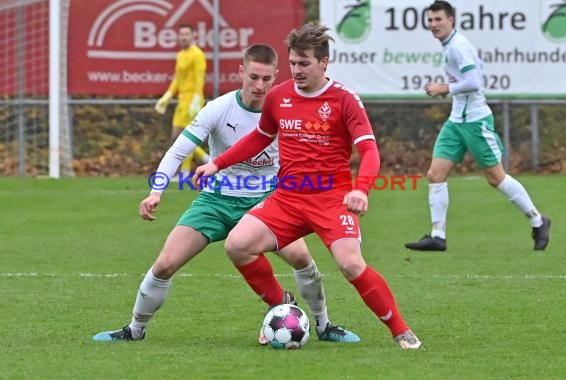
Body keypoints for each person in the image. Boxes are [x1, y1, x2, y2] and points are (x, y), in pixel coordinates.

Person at [93, 43, 359, 344]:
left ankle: (324, 326)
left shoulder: (288, 108)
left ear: (276, 76)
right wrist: (156, 192)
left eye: (266, 79)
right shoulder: (219, 109)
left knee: (299, 256)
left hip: (270, 199)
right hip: (217, 199)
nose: (259, 86)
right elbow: (178, 150)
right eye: (253, 77)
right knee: (166, 263)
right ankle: (134, 329)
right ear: (241, 72)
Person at [194, 24, 422, 349]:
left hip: (332, 199)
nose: (297, 71)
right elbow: (260, 137)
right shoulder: (279, 96)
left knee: (350, 263)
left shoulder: (344, 100)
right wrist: (218, 163)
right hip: (287, 198)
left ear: (324, 63)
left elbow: (369, 150)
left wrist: (362, 189)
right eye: (293, 63)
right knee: (237, 245)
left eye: (305, 63)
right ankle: (280, 302)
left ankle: (401, 331)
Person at [405, 0, 551, 252]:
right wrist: (449, 90)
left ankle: (538, 221)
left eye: (438, 19)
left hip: (475, 121)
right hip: (456, 121)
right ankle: (438, 236)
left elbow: (475, 81)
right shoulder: (451, 45)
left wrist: (444, 88)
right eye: (430, 20)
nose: (433, 24)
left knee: (496, 178)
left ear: (451, 20)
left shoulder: (458, 47)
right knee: (435, 175)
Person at [155, 23, 209, 177]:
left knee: (186, 136)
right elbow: (177, 79)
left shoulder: (197, 54)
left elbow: (200, 79)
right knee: (176, 136)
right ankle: (206, 160)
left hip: (193, 100)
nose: (184, 37)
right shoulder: (180, 55)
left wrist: (197, 99)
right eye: (181, 34)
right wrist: (167, 96)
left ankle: (186, 172)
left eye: (187, 34)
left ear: (193, 36)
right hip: (182, 100)